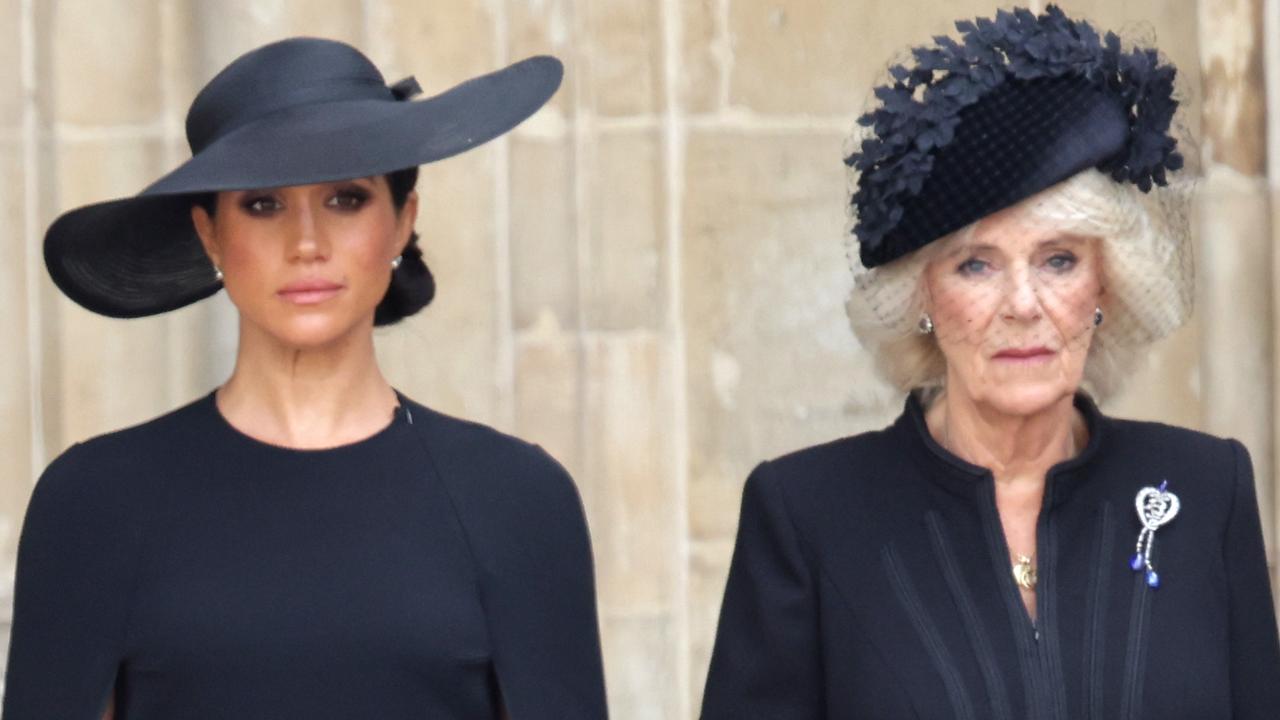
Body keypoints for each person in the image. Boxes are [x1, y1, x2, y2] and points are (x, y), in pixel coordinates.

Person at [701, 6, 1280, 719]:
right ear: (921, 297)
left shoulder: (1204, 489)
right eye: (976, 266)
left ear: (1106, 286)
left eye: (1058, 260)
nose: (1023, 304)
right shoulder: (807, 515)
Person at [4, 37, 607, 720]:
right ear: (209, 235)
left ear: (404, 221)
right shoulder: (95, 502)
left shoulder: (517, 499)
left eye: (346, 198)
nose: (307, 243)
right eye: (263, 204)